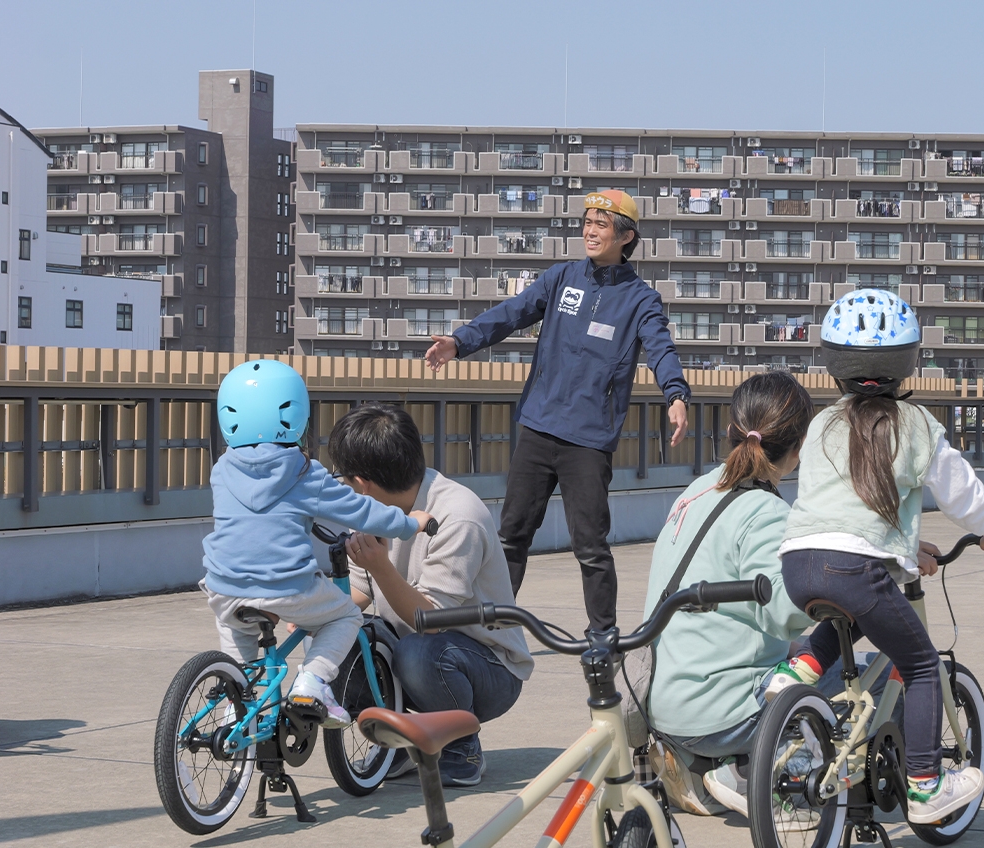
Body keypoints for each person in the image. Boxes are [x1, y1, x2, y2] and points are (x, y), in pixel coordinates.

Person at [642, 372, 941, 820]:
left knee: (804, 658)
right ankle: (763, 774)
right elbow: (785, 616)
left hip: (662, 696)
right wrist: (867, 565)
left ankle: (700, 764)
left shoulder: (696, 490)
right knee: (870, 678)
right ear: (801, 449)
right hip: (718, 710)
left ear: (731, 430)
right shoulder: (765, 512)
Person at [772, 289, 984, 826]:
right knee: (922, 665)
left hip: (798, 562)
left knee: (862, 609)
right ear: (906, 360)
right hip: (855, 568)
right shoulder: (915, 424)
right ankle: (926, 787)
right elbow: (961, 495)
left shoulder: (822, 423)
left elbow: (845, 512)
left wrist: (905, 550)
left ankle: (800, 667)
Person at [425, 190, 691, 633]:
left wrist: (676, 395)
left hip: (588, 439)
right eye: (587, 222)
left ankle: (602, 638)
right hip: (537, 425)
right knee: (511, 537)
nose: (590, 231)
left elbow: (661, 348)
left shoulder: (640, 299)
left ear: (626, 237)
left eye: (601, 224)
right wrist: (459, 341)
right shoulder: (561, 277)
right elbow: (511, 313)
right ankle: (492, 629)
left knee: (590, 546)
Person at [200, 360, 432, 728]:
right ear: (295, 415)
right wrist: (408, 524)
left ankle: (238, 704)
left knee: (239, 638)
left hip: (224, 587)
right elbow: (360, 510)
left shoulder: (221, 470)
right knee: (345, 615)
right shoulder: (303, 472)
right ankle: (312, 682)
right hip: (285, 587)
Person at [326, 403, 534, 787]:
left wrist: (381, 567)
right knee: (340, 637)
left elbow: (430, 620)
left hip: (488, 667)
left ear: (362, 482)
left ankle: (460, 748)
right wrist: (315, 613)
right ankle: (400, 743)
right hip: (420, 649)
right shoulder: (373, 510)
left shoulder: (458, 516)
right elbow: (359, 590)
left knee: (419, 652)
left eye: (344, 478)